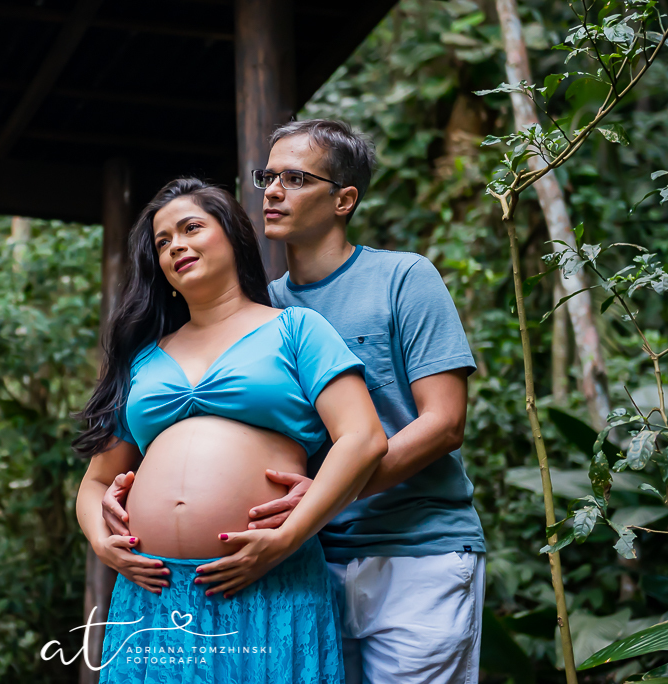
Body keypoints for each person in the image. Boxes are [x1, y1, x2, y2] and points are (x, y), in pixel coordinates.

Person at [102, 120, 486, 684]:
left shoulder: (402, 277)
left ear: (343, 199)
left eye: (295, 178)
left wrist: (323, 497)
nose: (272, 191)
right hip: (303, 557)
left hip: (412, 546)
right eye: (267, 178)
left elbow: (445, 423)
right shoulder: (262, 312)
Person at [73, 177, 388, 683]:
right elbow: (93, 482)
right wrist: (99, 540)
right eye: (162, 242)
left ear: (234, 237)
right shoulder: (144, 357)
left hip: (266, 576)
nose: (176, 246)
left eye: (191, 227)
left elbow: (364, 438)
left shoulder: (296, 329)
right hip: (152, 593)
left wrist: (286, 538)